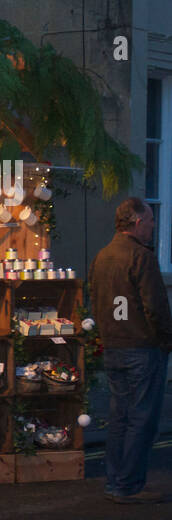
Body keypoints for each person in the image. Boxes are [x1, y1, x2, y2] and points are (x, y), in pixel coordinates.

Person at [89, 197, 172, 503]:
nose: (153, 227)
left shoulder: (102, 257)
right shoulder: (142, 257)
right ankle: (128, 484)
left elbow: (96, 300)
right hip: (141, 347)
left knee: (120, 417)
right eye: (150, 221)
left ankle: (116, 480)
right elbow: (155, 306)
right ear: (137, 223)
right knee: (141, 419)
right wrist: (166, 340)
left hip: (113, 345)